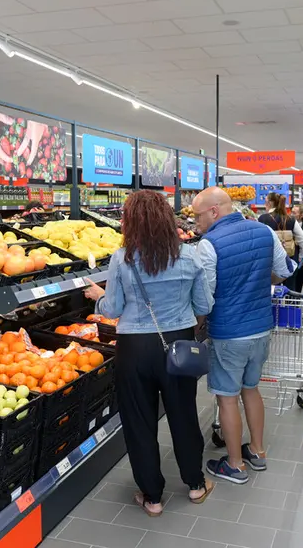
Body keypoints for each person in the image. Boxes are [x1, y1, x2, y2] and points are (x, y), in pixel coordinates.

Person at [83, 190, 214, 516]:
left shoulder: (121, 258)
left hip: (134, 350)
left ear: (130, 222)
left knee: (139, 421)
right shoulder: (188, 256)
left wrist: (97, 296)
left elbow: (112, 308)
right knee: (183, 414)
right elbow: (205, 305)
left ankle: (152, 496)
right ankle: (196, 484)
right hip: (178, 346)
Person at [191, 187, 294, 485]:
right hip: (261, 327)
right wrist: (259, 285)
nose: (196, 223)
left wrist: (197, 325)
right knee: (251, 388)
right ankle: (258, 451)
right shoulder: (264, 232)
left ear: (214, 211)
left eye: (198, 216)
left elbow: (205, 296)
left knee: (226, 398)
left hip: (228, 333)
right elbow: (284, 270)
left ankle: (234, 464)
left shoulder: (209, 245)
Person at [258, 192, 303, 285]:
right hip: (290, 259)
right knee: (290, 288)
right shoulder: (291, 219)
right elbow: (302, 238)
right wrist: (302, 255)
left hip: (270, 260)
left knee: (272, 289)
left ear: (269, 203)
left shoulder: (262, 219)